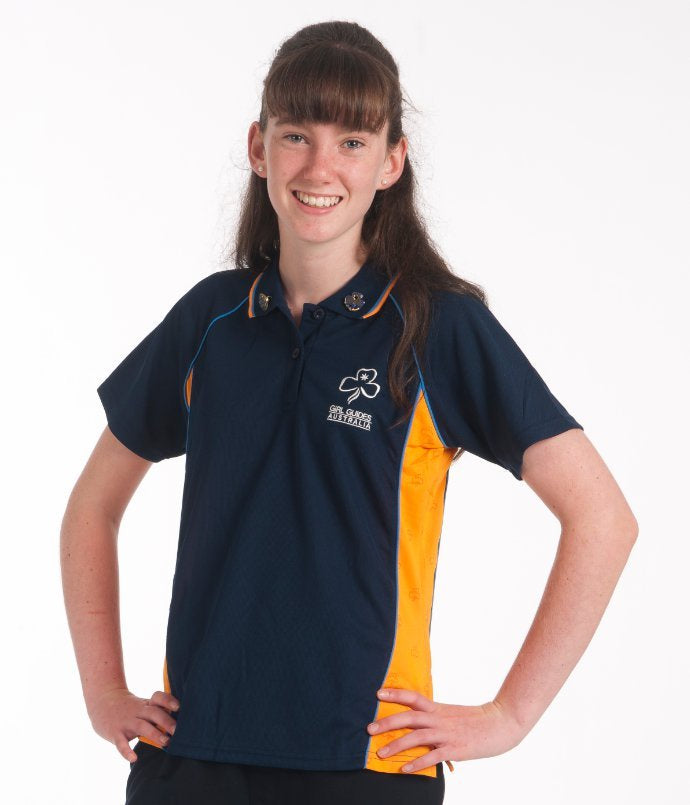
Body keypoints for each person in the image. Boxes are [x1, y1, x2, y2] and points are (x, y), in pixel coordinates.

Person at [60, 19, 638, 805]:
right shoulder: (211, 322)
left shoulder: (436, 328)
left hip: (366, 763)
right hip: (192, 758)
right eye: (297, 135)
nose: (320, 167)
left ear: (391, 161)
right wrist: (103, 690)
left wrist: (510, 714)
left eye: (353, 142)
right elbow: (92, 506)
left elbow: (603, 518)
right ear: (259, 148)